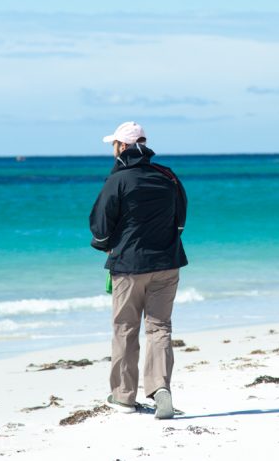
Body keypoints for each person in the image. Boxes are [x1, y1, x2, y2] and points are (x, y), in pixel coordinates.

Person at [89, 121, 188, 419]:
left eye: (113, 145)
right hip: (167, 263)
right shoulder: (168, 176)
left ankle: (123, 397)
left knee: (125, 329)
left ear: (121, 146)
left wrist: (105, 244)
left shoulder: (118, 179)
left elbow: (99, 224)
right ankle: (160, 389)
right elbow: (180, 219)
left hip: (129, 266)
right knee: (159, 328)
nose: (112, 150)